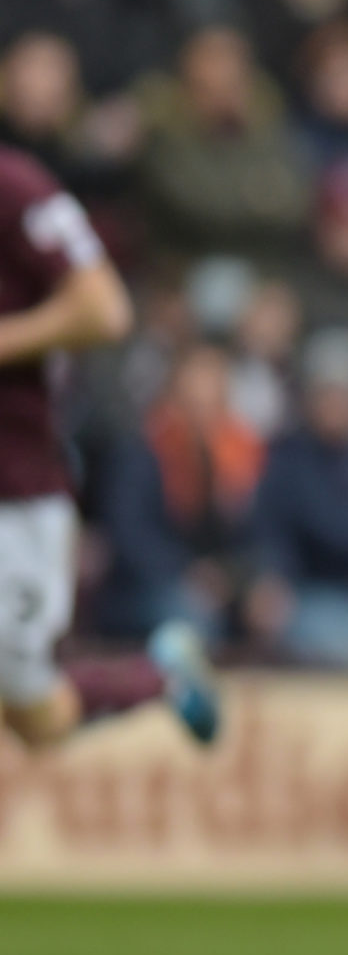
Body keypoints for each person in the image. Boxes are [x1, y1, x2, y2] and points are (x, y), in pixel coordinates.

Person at [0, 146, 219, 749]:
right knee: (32, 718)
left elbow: (104, 308)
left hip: (13, 497)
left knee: (37, 719)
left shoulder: (15, 187)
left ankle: (159, 677)